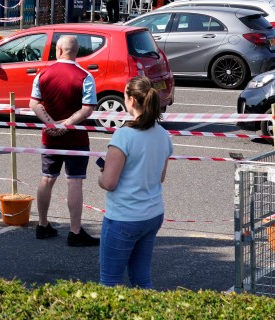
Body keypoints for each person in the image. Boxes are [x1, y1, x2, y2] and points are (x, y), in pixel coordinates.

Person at [98, 76, 173, 289]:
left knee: (109, 282)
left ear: (131, 100)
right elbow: (160, 176)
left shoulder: (123, 135)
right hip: (152, 214)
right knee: (142, 279)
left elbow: (110, 182)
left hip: (124, 216)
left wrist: (100, 176)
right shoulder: (164, 135)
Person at [30, 35, 99, 246]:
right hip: (76, 137)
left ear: (58, 50)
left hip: (49, 137)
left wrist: (51, 124)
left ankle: (42, 225)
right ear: (76, 52)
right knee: (74, 181)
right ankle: (75, 231)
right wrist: (66, 124)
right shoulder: (85, 76)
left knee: (47, 178)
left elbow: (34, 103)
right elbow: (88, 109)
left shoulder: (43, 74)